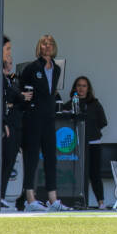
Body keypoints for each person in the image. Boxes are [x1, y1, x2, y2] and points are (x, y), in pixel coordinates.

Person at [19, 34, 71, 212]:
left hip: (49, 118)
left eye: (50, 44)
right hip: (33, 118)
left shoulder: (56, 68)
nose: (47, 46)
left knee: (51, 157)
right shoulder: (32, 68)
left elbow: (52, 91)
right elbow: (21, 88)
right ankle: (29, 198)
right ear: (39, 47)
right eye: (44, 43)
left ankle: (52, 198)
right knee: (32, 157)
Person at [0, 35, 32, 209]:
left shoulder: (10, 80)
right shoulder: (0, 77)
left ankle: (1, 195)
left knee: (9, 161)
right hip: (9, 125)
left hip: (15, 124)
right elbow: (3, 100)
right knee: (5, 161)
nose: (10, 54)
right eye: (8, 49)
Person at [67, 75, 109, 209]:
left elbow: (103, 122)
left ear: (88, 88)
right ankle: (75, 202)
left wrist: (91, 131)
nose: (81, 88)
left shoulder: (95, 104)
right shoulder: (70, 104)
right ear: (75, 87)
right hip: (75, 146)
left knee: (94, 174)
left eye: (84, 86)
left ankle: (101, 202)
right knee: (76, 174)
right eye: (79, 85)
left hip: (93, 144)